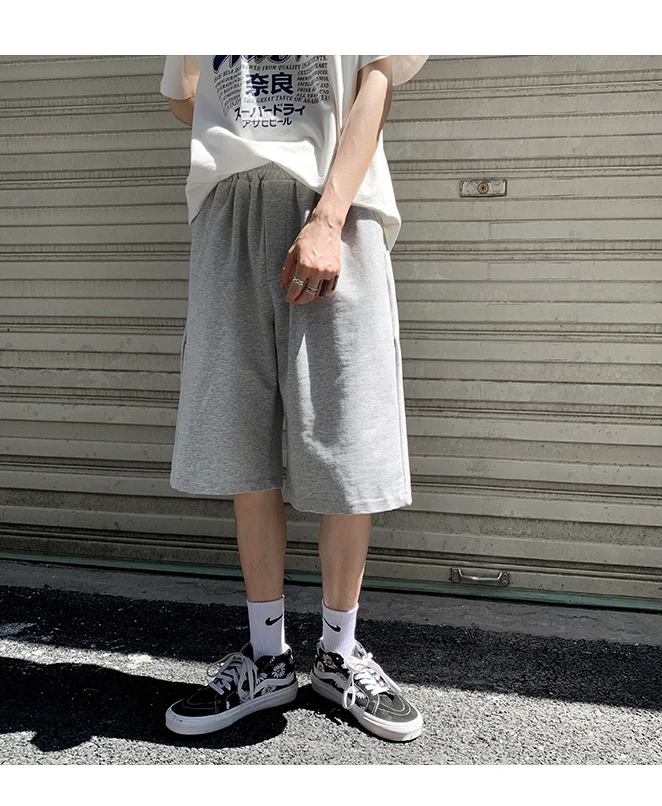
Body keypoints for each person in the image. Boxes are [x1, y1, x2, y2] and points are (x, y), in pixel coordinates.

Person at [160, 54, 429, 743]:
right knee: (240, 434)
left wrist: (328, 218)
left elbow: (376, 82)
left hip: (333, 201)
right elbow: (188, 100)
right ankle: (267, 657)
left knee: (347, 434)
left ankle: (339, 653)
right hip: (229, 207)